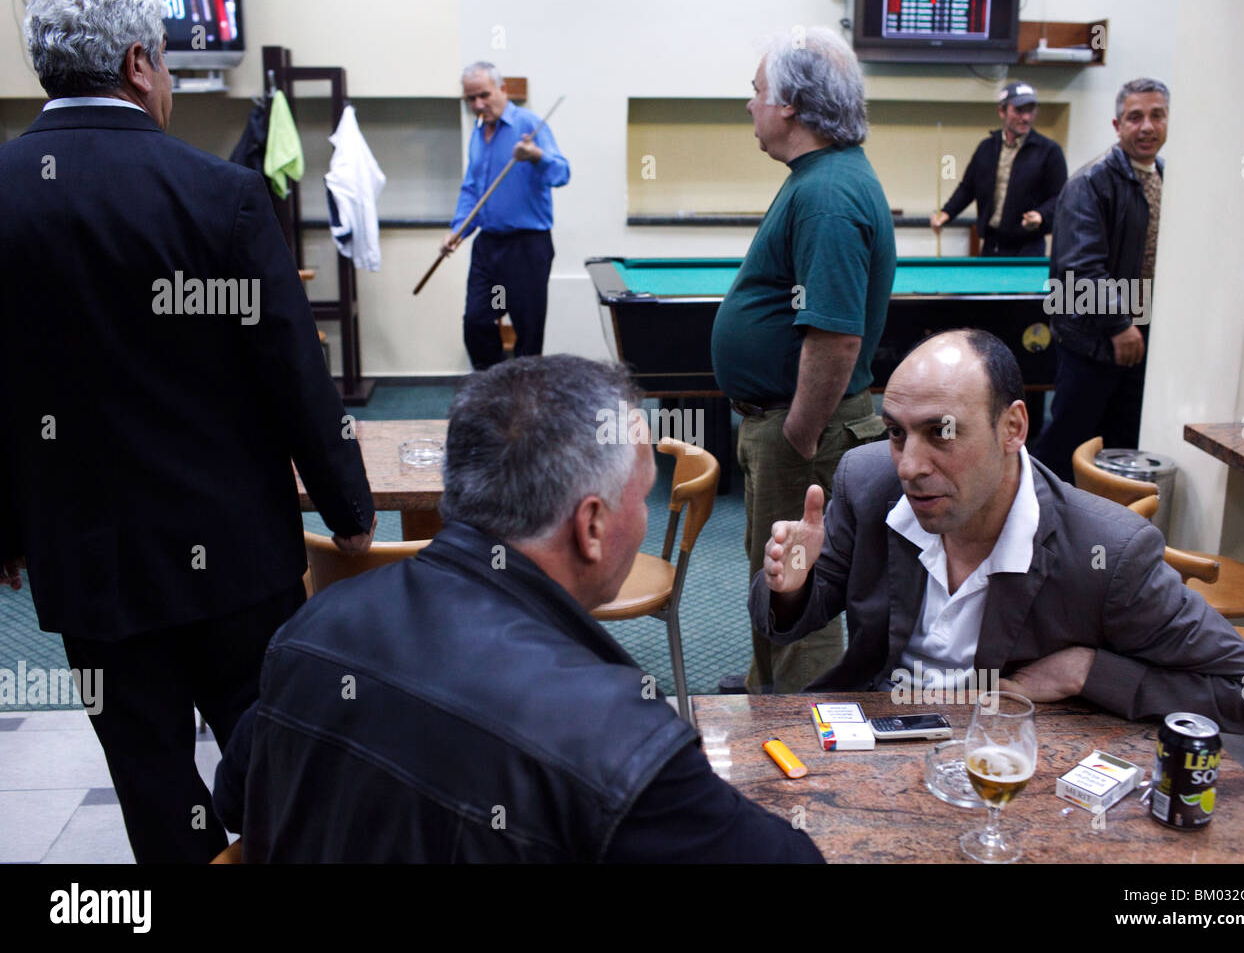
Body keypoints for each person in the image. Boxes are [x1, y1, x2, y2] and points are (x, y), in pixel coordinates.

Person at [0, 0, 376, 863]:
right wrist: (346, 506)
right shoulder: (221, 196)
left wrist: (6, 531)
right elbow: (294, 374)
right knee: (277, 753)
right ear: (139, 64)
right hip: (233, 558)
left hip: (86, 561)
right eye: (165, 63)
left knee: (147, 769)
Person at [214, 356, 824, 863]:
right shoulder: (612, 732)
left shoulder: (313, 624)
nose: (645, 517)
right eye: (642, 496)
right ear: (591, 524)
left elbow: (235, 800)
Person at [751, 330, 1244, 737]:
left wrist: (1086, 672)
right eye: (896, 433)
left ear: (1013, 428)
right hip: (873, 735)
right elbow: (788, 624)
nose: (909, 465)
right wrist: (791, 585)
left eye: (942, 432)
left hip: (1004, 755)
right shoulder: (869, 483)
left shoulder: (1107, 552)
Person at [711, 27, 895, 695]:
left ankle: (800, 734)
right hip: (790, 421)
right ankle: (769, 692)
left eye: (758, 92)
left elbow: (836, 337)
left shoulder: (827, 191)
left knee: (801, 592)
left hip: (803, 428)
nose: (751, 105)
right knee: (777, 575)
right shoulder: (820, 177)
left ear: (790, 104)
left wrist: (798, 431)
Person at [1032, 79, 1170, 482]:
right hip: (1092, 340)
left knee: (1122, 450)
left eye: (1157, 115)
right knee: (1067, 448)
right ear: (1117, 124)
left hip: (1140, 336)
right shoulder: (1089, 182)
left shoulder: (1164, 174)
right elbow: (1080, 268)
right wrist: (1120, 325)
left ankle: (1109, 534)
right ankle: (1036, 527)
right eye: (1135, 117)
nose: (1147, 126)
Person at [439, 62, 569, 370]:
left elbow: (562, 173)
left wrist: (536, 156)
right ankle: (493, 390)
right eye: (470, 99)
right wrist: (457, 230)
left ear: (503, 90)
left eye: (484, 95)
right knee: (478, 321)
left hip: (527, 247)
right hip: (489, 247)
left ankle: (523, 406)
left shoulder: (529, 124)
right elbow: (472, 189)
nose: (478, 105)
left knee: (527, 332)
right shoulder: (478, 132)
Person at [929, 81, 1067, 257]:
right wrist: (947, 212)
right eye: (1018, 110)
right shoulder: (986, 148)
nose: (1026, 117)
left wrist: (1041, 215)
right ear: (1002, 111)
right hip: (991, 245)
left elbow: (1061, 197)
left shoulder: (1049, 151)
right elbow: (968, 188)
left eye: (1031, 110)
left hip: (1028, 248)